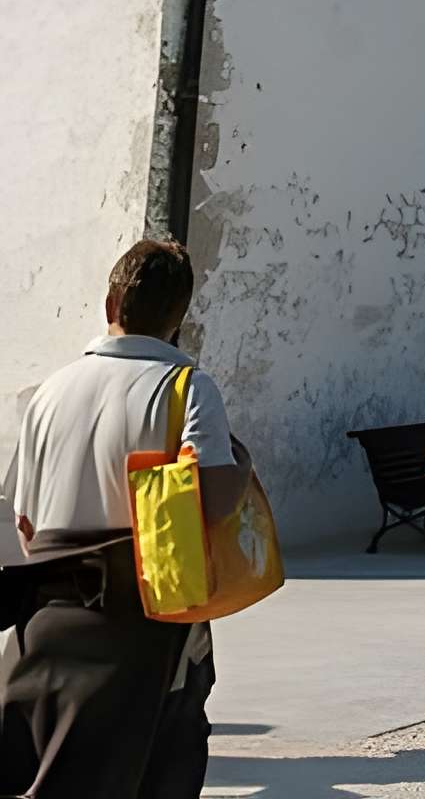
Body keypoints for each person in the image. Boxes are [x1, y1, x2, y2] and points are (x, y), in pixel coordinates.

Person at [0, 238, 251, 799]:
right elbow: (211, 500)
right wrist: (242, 466)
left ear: (110, 306)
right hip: (150, 617)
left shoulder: (48, 392)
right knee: (170, 751)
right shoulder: (186, 388)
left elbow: (19, 518)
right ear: (178, 317)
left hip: (48, 620)